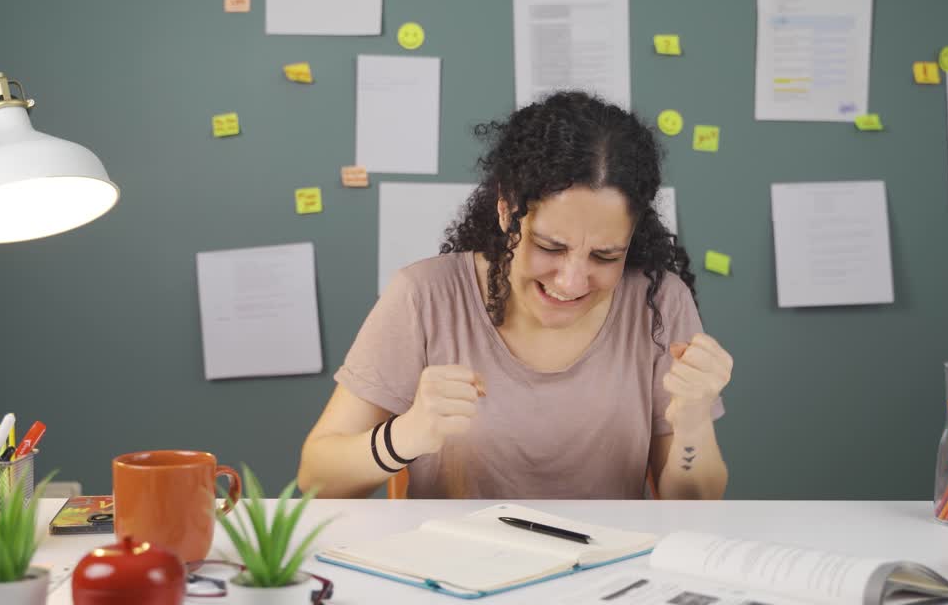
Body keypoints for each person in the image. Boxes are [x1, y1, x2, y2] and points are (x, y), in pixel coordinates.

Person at [298, 91, 733, 499]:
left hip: (608, 575)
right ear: (507, 212)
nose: (571, 282)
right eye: (550, 247)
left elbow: (692, 502)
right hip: (455, 572)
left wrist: (693, 423)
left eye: (605, 255)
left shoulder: (660, 304)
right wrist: (406, 435)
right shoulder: (424, 296)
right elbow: (316, 476)